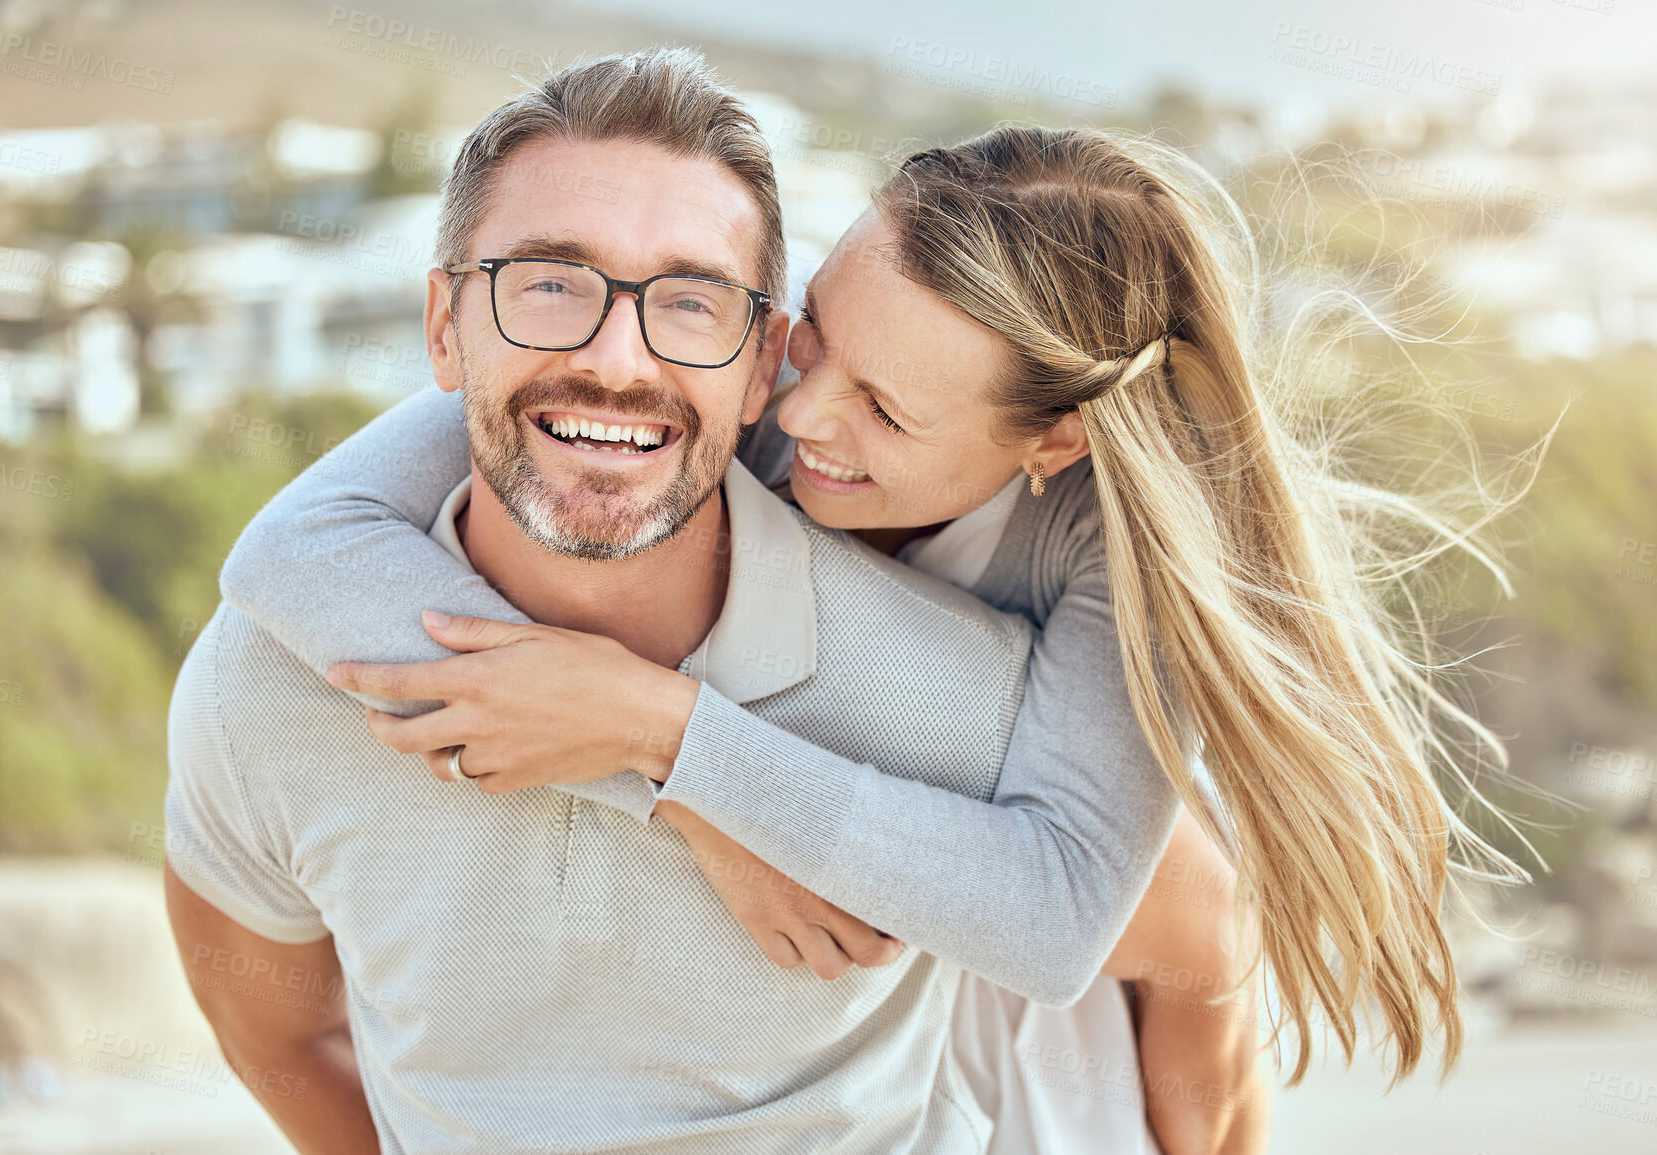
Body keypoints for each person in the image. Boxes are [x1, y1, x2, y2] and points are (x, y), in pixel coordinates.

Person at [226, 45, 1526, 1155]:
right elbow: (292, 555)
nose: (795, 417)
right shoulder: (691, 374)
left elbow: (1069, 915)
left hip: (1048, 986)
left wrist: (666, 739)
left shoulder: (1098, 552)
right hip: (855, 912)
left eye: (886, 412)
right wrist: (698, 805)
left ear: (1050, 444)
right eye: (814, 338)